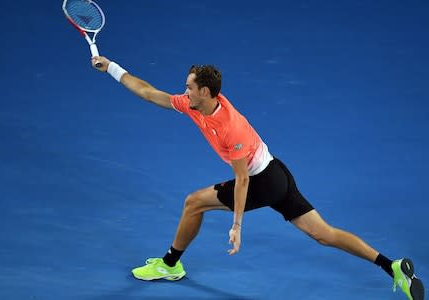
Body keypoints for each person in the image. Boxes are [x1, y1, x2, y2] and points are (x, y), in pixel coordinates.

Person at [91, 56, 424, 300]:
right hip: (278, 173)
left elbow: (243, 181)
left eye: (189, 87)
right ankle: (390, 265)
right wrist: (112, 69)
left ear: (205, 91)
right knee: (323, 234)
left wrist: (236, 225)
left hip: (262, 181)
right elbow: (150, 93)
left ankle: (170, 265)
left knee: (193, 203)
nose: (184, 91)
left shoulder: (228, 127)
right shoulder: (195, 105)